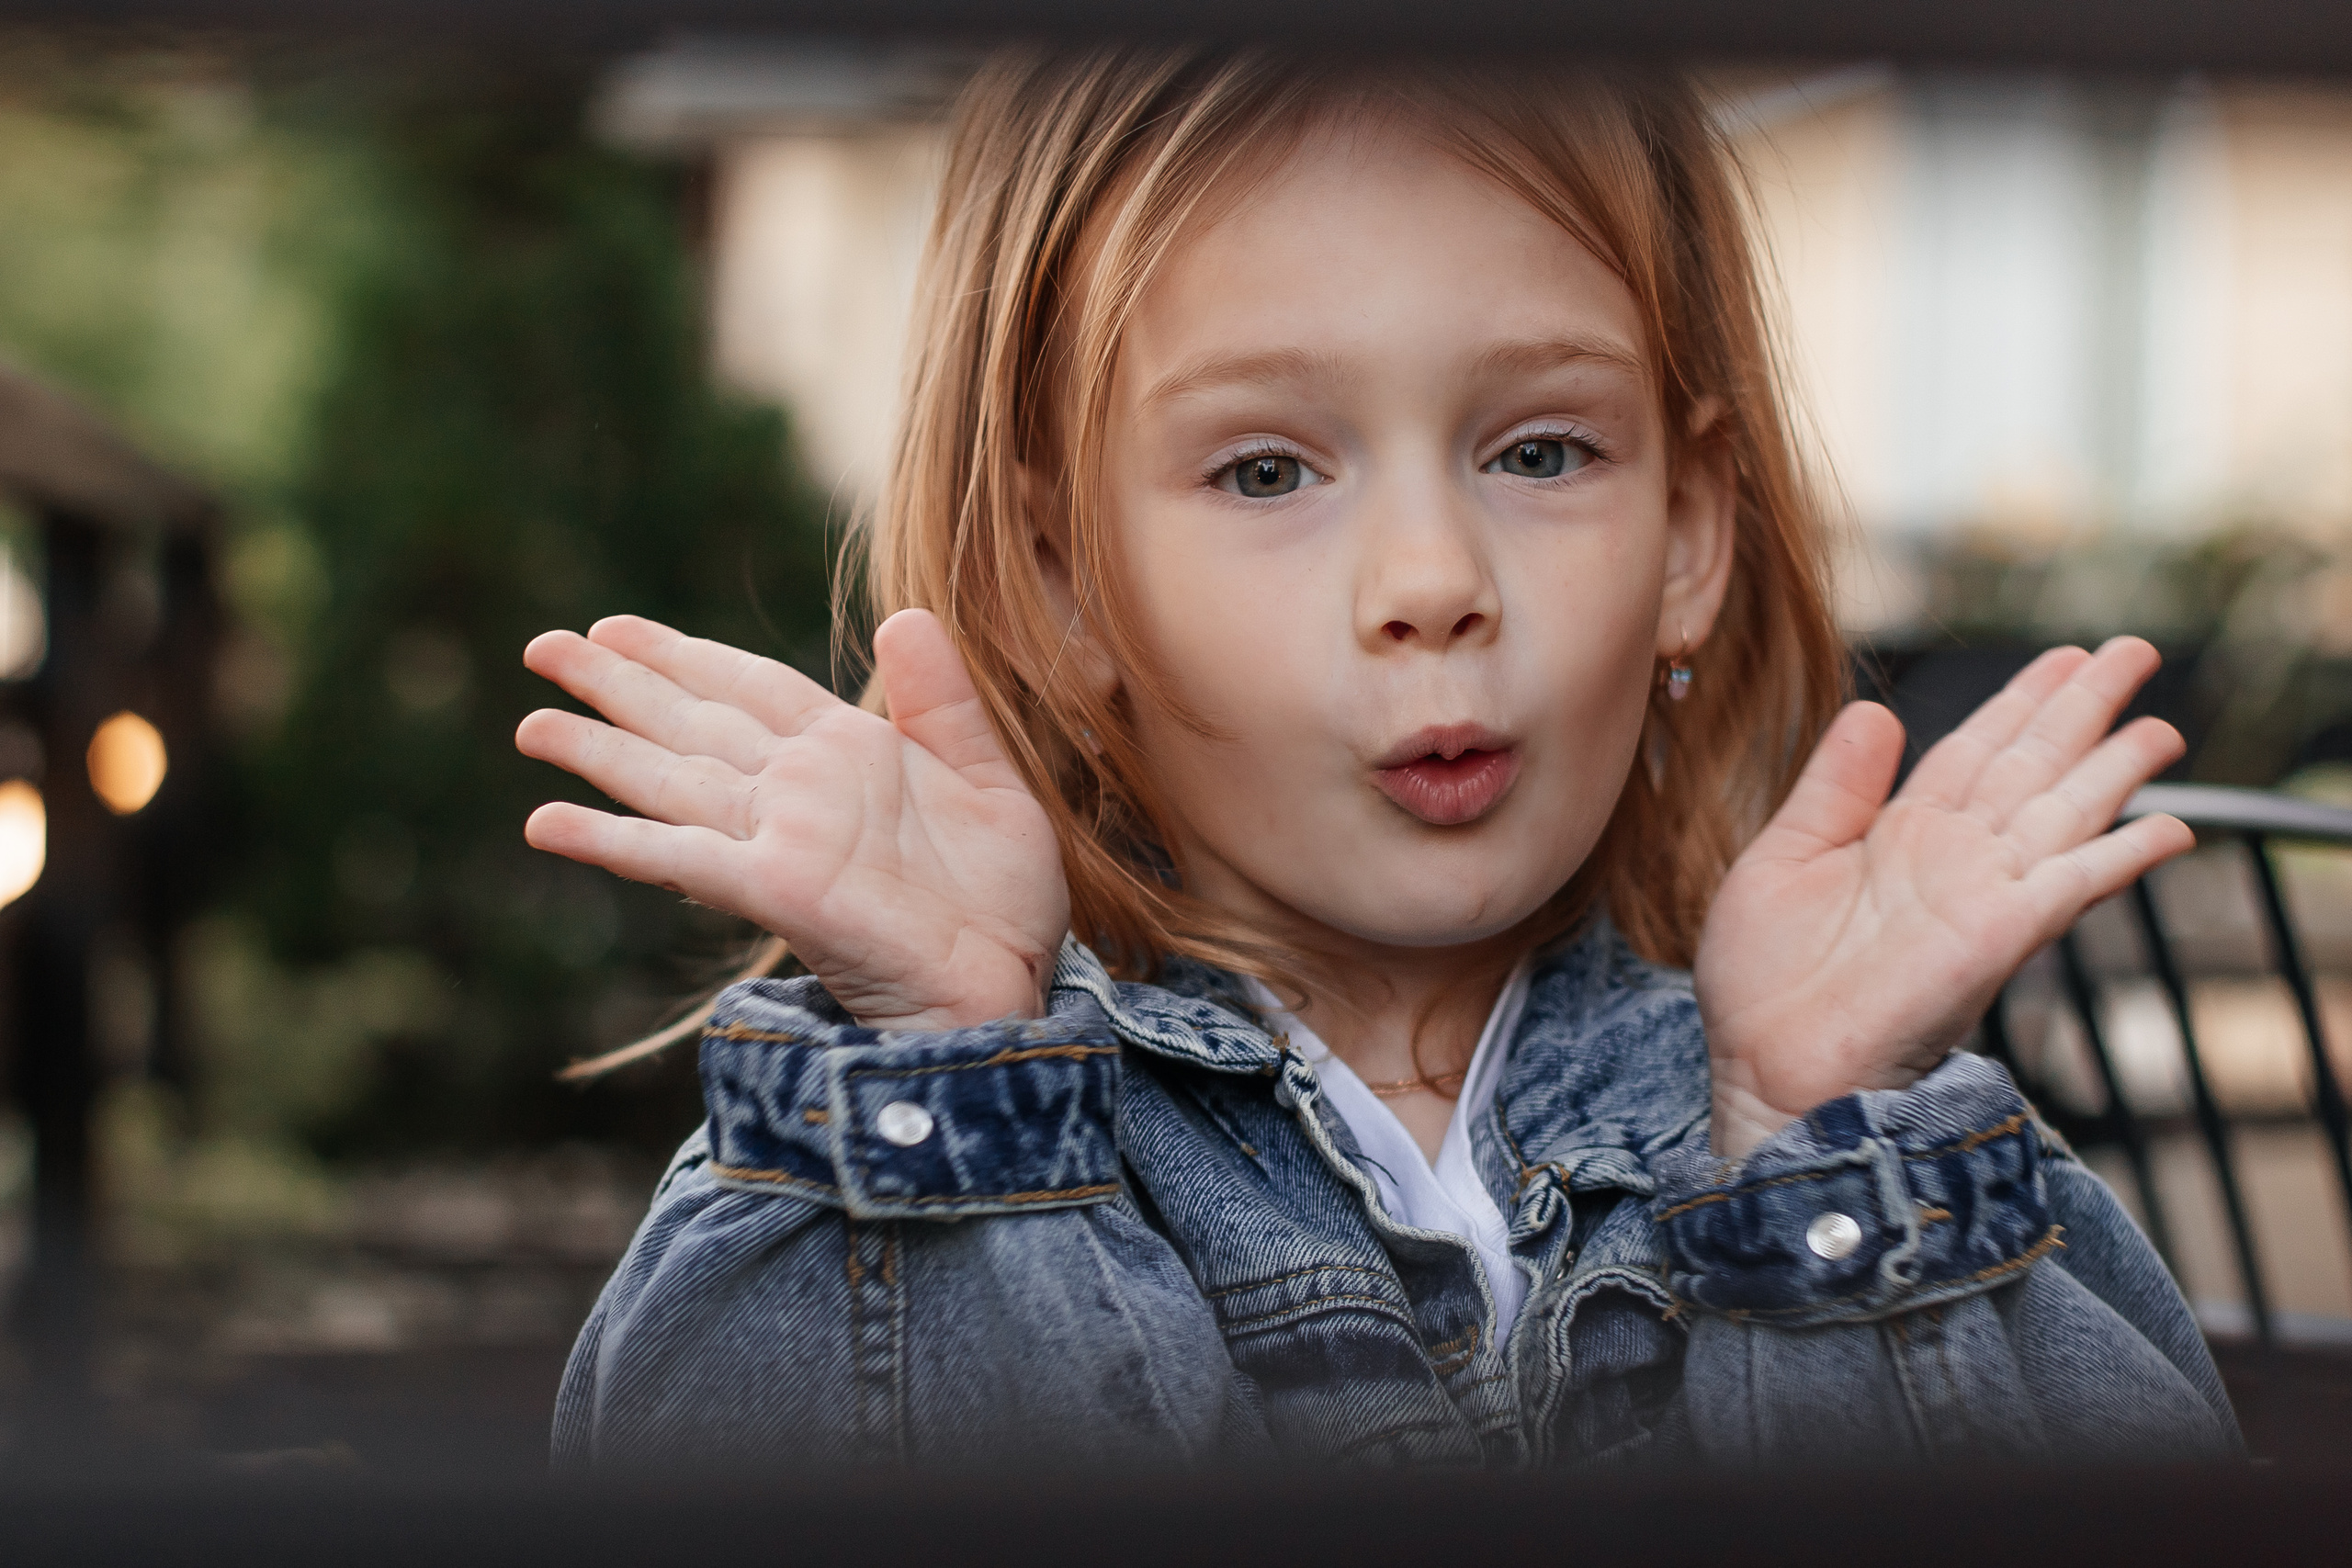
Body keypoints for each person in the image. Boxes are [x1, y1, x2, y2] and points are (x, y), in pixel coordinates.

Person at [516, 45, 2239, 1470]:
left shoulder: (1843, 1106)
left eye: (1544, 449)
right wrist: (951, 1093)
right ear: (1060, 579)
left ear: (1690, 535)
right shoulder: (922, 1096)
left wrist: (1822, 1153)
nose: (1432, 585)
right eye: (1267, 471)